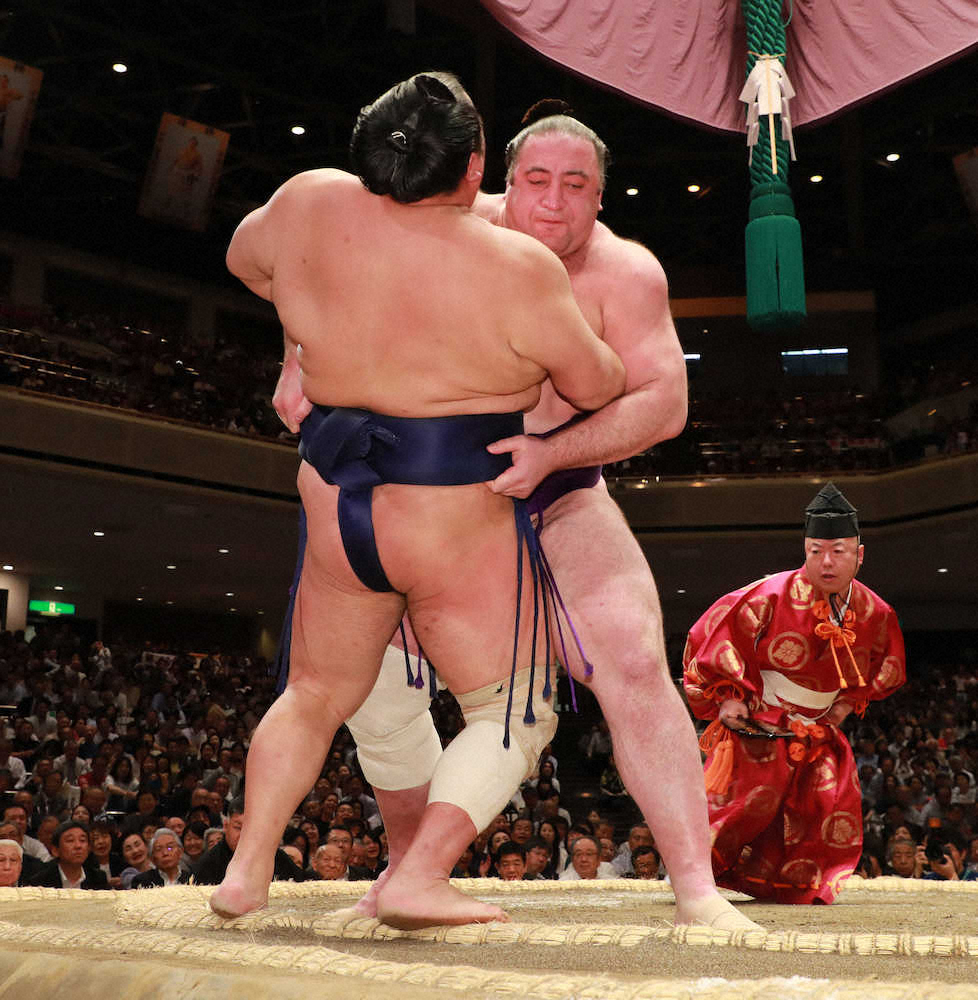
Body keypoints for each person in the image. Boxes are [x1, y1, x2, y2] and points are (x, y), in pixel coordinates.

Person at [212, 73, 623, 928]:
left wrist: (309, 329)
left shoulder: (306, 201)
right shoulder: (516, 265)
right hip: (449, 520)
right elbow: (594, 384)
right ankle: (418, 874)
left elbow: (247, 262)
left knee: (315, 694)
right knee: (517, 706)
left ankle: (246, 870)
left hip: (337, 504)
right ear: (476, 171)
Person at [343, 101, 755, 931]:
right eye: (537, 181)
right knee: (372, 673)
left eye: (578, 185)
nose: (555, 201)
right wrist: (293, 363)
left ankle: (696, 888)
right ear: (503, 182)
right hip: (437, 496)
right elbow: (324, 262)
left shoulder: (627, 273)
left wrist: (552, 453)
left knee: (636, 661)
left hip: (562, 487)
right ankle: (403, 869)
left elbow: (666, 403)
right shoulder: (444, 224)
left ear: (601, 196)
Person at [683, 482, 906, 904]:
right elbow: (716, 635)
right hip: (761, 719)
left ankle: (796, 886)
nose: (826, 562)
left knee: (820, 806)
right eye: (816, 550)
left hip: (819, 726)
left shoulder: (876, 612)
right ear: (804, 550)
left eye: (838, 551)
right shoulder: (767, 595)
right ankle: (693, 878)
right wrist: (729, 695)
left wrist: (843, 704)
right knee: (743, 809)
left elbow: (882, 668)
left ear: (859, 554)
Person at [28, 821, 109, 889]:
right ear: (55, 850)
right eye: (70, 840)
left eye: (82, 840)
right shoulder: (40, 882)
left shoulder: (98, 878)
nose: (78, 846)